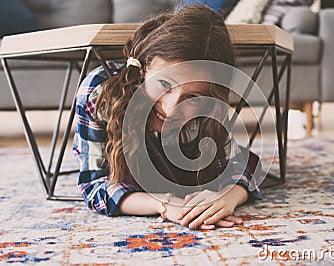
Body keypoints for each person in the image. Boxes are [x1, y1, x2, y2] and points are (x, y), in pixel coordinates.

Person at [73, 4, 262, 230]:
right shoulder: (100, 93)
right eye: (164, 84)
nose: (171, 109)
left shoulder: (208, 108)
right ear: (143, 70)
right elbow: (94, 186)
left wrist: (227, 197)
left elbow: (238, 166)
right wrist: (165, 204)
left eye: (191, 95)